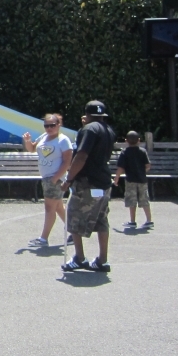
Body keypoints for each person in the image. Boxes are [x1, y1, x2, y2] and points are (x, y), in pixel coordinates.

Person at [61, 101, 117, 272]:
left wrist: (69, 179)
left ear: (87, 114)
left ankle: (79, 258)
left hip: (87, 182)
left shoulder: (89, 129)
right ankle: (102, 260)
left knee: (73, 216)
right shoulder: (109, 130)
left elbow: (82, 156)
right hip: (104, 182)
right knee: (101, 220)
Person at [22, 114, 72, 247]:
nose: (49, 128)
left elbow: (67, 161)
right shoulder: (43, 137)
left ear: (58, 125)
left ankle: (43, 239)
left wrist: (56, 178)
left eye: (52, 125)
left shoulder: (63, 140)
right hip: (46, 178)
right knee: (58, 207)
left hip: (55, 178)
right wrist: (27, 141)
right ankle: (73, 230)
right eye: (46, 125)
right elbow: (32, 149)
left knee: (50, 208)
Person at [114, 131, 153, 229]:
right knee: (144, 200)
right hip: (142, 179)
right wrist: (141, 170)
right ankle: (149, 220)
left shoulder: (125, 152)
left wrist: (116, 178)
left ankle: (132, 221)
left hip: (130, 179)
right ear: (139, 141)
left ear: (126, 141)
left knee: (132, 200)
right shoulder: (143, 151)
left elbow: (120, 168)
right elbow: (148, 166)